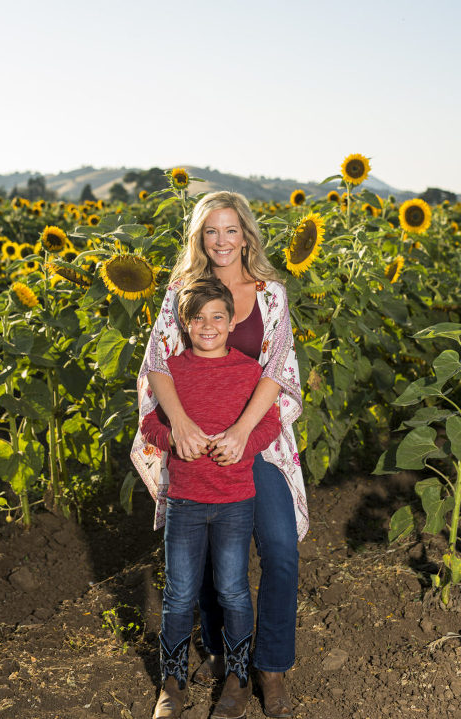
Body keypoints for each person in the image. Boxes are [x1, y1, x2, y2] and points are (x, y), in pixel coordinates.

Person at [131, 191, 309, 719]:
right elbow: (158, 361)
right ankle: (222, 660)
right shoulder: (181, 291)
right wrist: (180, 424)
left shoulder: (271, 294)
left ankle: (270, 670)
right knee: (207, 559)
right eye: (211, 231)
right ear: (199, 238)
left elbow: (277, 368)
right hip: (195, 443)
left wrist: (241, 432)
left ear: (247, 234)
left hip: (257, 440)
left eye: (231, 230)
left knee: (279, 550)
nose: (222, 241)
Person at [141, 277, 282, 719]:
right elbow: (149, 425)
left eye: (217, 316)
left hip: (236, 501)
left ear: (232, 320)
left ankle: (237, 681)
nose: (208, 325)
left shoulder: (247, 371)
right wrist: (172, 439)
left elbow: (271, 423)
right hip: (185, 501)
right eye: (198, 317)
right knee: (180, 594)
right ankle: (172, 683)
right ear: (184, 322)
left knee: (234, 591)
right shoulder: (173, 372)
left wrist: (244, 443)